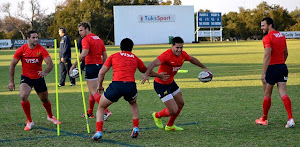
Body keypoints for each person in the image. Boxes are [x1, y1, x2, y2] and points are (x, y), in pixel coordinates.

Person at [91, 38, 168, 140]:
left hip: (116, 86)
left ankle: (99, 131)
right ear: (131, 48)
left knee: (101, 106)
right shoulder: (135, 58)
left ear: (120, 47)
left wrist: (99, 86)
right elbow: (145, 70)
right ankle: (135, 128)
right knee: (133, 103)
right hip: (130, 86)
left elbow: (101, 72)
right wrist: (159, 75)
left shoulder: (114, 56)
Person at [140, 36, 210, 131]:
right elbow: (152, 64)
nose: (179, 50)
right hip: (160, 85)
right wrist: (146, 75)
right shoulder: (166, 55)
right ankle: (157, 115)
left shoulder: (183, 55)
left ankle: (170, 126)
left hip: (171, 82)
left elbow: (192, 59)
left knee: (181, 104)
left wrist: (204, 67)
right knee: (173, 110)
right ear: (172, 46)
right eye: (177, 47)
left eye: (181, 47)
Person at [8, 30, 61, 131]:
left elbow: (50, 63)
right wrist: (11, 81)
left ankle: (50, 116)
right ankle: (29, 121)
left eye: (37, 37)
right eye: (33, 37)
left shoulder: (41, 49)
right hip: (26, 78)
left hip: (38, 78)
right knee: (23, 96)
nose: (36, 39)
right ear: (28, 39)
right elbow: (12, 64)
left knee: (44, 99)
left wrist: (45, 72)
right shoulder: (21, 50)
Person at [255, 17, 295, 128]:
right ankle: (290, 119)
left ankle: (264, 119)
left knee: (267, 94)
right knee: (283, 92)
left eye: (263, 25)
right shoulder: (282, 36)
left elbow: (267, 55)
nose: (261, 28)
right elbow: (286, 53)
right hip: (282, 66)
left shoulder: (268, 37)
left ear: (270, 25)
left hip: (272, 68)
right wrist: (280, 64)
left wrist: (263, 73)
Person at [70, 22, 111, 119]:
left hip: (91, 66)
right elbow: (105, 55)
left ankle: (106, 111)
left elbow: (84, 54)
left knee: (93, 91)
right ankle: (90, 112)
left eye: (81, 30)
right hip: (99, 66)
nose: (80, 33)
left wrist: (74, 65)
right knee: (92, 90)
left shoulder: (86, 39)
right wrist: (103, 67)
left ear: (87, 29)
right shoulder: (99, 39)